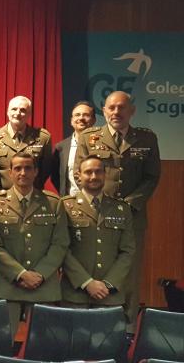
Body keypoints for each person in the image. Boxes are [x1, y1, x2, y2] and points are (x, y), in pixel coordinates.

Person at [74, 90, 161, 332]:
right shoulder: (89, 138)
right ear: (104, 111)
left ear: (131, 111)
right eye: (111, 108)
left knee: (129, 272)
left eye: (121, 108)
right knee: (94, 262)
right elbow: (78, 173)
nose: (116, 112)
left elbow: (152, 177)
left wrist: (130, 204)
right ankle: (90, 324)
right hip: (97, 214)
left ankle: (127, 328)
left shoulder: (146, 139)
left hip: (132, 217)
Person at [0, 152, 69, 329]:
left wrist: (39, 274)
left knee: (42, 345)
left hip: (43, 286)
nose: (23, 173)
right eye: (17, 168)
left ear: (36, 172)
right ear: (10, 173)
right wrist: (21, 274)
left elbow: (60, 243)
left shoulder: (53, 202)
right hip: (9, 285)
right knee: (2, 344)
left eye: (28, 168)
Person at [61, 156, 136, 309]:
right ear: (78, 176)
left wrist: (108, 284)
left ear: (105, 175)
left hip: (110, 296)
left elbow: (127, 251)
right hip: (75, 294)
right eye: (88, 172)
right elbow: (61, 249)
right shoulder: (65, 207)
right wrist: (87, 283)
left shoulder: (121, 209)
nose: (94, 176)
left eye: (98, 172)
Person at [0, 96, 54, 190]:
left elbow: (45, 170)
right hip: (1, 197)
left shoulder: (42, 137)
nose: (18, 113)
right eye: (14, 109)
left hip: (31, 196)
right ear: (8, 112)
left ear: (29, 114)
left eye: (23, 110)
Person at [51, 101, 96, 196]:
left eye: (86, 115)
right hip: (70, 204)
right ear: (71, 121)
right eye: (77, 115)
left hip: (97, 203)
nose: (81, 118)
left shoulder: (102, 144)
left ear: (94, 120)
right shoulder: (61, 147)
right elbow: (56, 177)